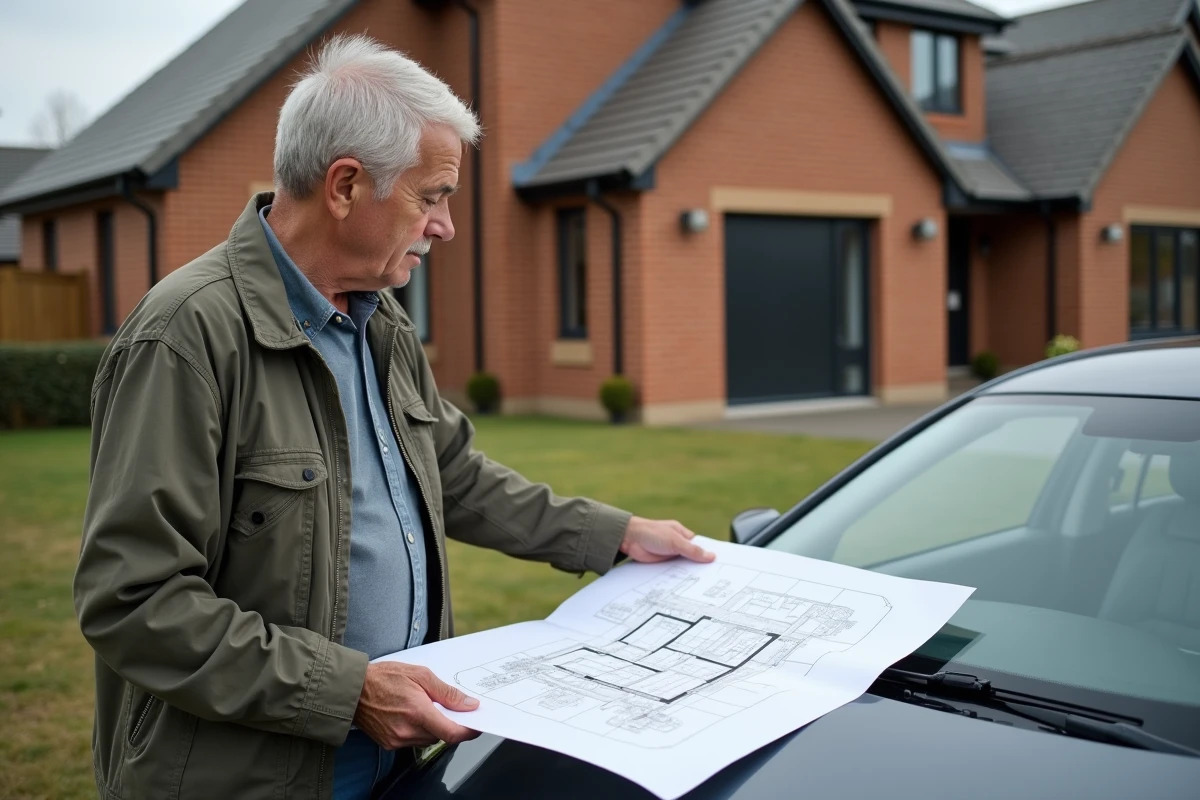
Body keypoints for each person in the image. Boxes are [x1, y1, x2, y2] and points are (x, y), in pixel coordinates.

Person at [72, 34, 713, 800]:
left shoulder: (381, 321)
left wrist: (613, 535)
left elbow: (454, 475)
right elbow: (135, 601)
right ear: (345, 186)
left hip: (397, 768)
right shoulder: (187, 336)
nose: (444, 225)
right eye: (432, 195)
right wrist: (348, 692)